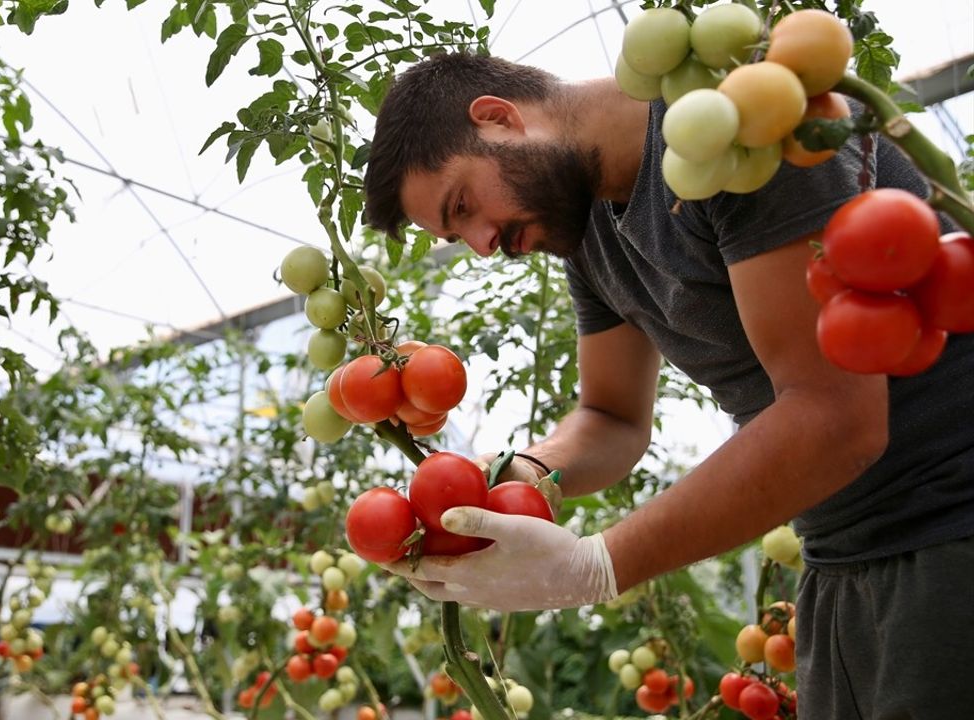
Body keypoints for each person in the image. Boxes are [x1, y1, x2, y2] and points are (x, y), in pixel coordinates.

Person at [362, 52, 974, 717]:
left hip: (950, 533)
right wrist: (522, 475)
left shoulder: (729, 130)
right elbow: (611, 416)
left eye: (464, 204)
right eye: (459, 237)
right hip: (841, 556)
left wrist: (596, 565)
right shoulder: (585, 222)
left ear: (499, 119)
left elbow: (836, 419)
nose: (484, 245)